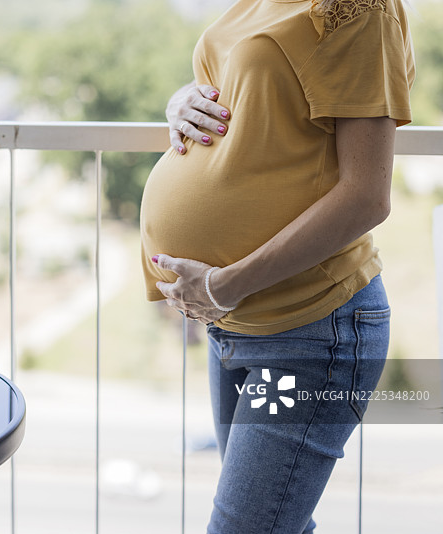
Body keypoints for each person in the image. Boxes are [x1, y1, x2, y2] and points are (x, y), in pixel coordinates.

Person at [139, 0, 414, 532]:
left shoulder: (362, 11)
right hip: (233, 325)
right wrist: (183, 99)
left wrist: (223, 284)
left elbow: (366, 196)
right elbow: (259, 95)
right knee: (274, 522)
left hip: (310, 331)